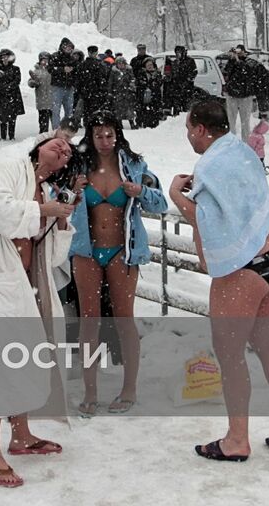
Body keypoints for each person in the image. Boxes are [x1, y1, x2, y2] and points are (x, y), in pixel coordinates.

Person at [169, 98, 269, 462]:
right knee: (265, 343)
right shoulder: (240, 151)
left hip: (243, 267)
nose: (188, 136)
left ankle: (236, 440)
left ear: (200, 129)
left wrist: (174, 196)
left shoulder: (211, 163)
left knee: (230, 356)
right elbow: (241, 199)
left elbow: (208, 220)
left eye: (188, 129)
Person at [0, 135, 77, 488]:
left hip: (24, 282)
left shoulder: (44, 191)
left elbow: (54, 257)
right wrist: (45, 211)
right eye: (57, 144)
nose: (63, 149)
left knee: (27, 356)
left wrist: (59, 219)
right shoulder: (12, 168)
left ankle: (21, 434)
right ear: (38, 146)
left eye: (68, 152)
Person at [69, 111, 167, 417]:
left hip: (122, 253)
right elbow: (56, 200)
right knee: (89, 322)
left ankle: (129, 389)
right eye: (98, 135)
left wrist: (140, 191)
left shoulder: (134, 166)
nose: (104, 141)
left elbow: (161, 202)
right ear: (90, 136)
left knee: (125, 320)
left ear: (118, 134)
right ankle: (90, 391)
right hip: (86, 253)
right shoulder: (78, 166)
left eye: (109, 135)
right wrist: (73, 190)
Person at [0, 48, 25, 141]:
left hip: (13, 95)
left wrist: (8, 87)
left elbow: (17, 80)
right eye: (3, 57)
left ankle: (11, 136)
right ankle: (3, 136)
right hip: (1, 96)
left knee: (12, 117)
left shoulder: (16, 69)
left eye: (7, 57)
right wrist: (2, 88)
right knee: (2, 116)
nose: (5, 59)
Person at [222, 46, 252, 140]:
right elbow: (226, 73)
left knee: (245, 122)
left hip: (245, 96)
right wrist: (231, 60)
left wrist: (238, 60)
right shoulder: (232, 61)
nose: (238, 53)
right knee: (231, 120)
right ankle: (231, 140)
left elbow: (245, 72)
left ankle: (245, 142)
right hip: (232, 95)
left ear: (244, 52)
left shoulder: (249, 61)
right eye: (237, 51)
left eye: (240, 51)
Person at [75, 46, 110, 125]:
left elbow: (104, 79)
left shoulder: (87, 64)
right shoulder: (97, 64)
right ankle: (89, 123)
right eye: (92, 52)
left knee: (91, 111)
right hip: (90, 91)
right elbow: (79, 79)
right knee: (90, 111)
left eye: (94, 52)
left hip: (92, 91)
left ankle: (89, 123)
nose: (93, 54)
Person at [48, 37, 77, 128]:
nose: (69, 49)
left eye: (71, 47)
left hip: (69, 87)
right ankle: (56, 130)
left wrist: (73, 73)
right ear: (62, 47)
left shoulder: (72, 58)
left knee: (69, 111)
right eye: (67, 47)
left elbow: (77, 72)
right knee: (56, 110)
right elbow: (50, 69)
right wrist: (62, 69)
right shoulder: (54, 56)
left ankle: (67, 129)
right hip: (57, 87)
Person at [28, 52, 53, 133]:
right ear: (40, 60)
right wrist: (32, 82)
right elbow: (30, 82)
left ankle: (55, 134)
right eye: (43, 60)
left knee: (54, 120)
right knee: (43, 120)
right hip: (41, 100)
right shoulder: (36, 71)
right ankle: (43, 133)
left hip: (52, 100)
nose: (45, 62)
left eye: (47, 60)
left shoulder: (52, 70)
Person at [109, 55, 136, 129]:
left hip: (128, 93)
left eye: (122, 63)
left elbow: (132, 79)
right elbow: (110, 83)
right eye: (119, 63)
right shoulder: (114, 72)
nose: (121, 65)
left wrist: (131, 85)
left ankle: (131, 123)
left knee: (129, 109)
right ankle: (119, 123)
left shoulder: (129, 71)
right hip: (117, 93)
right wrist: (110, 92)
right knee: (118, 109)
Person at [136, 57, 163, 128]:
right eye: (148, 65)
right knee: (145, 112)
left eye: (151, 65)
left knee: (155, 111)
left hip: (155, 97)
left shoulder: (157, 73)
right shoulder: (141, 73)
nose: (150, 66)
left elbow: (159, 83)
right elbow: (140, 84)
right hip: (145, 97)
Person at [170, 45, 198, 115]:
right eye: (176, 52)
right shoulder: (175, 62)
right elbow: (173, 74)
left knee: (186, 108)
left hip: (187, 88)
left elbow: (194, 72)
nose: (178, 54)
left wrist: (188, 80)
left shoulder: (190, 61)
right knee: (177, 107)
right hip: (176, 89)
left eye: (179, 52)